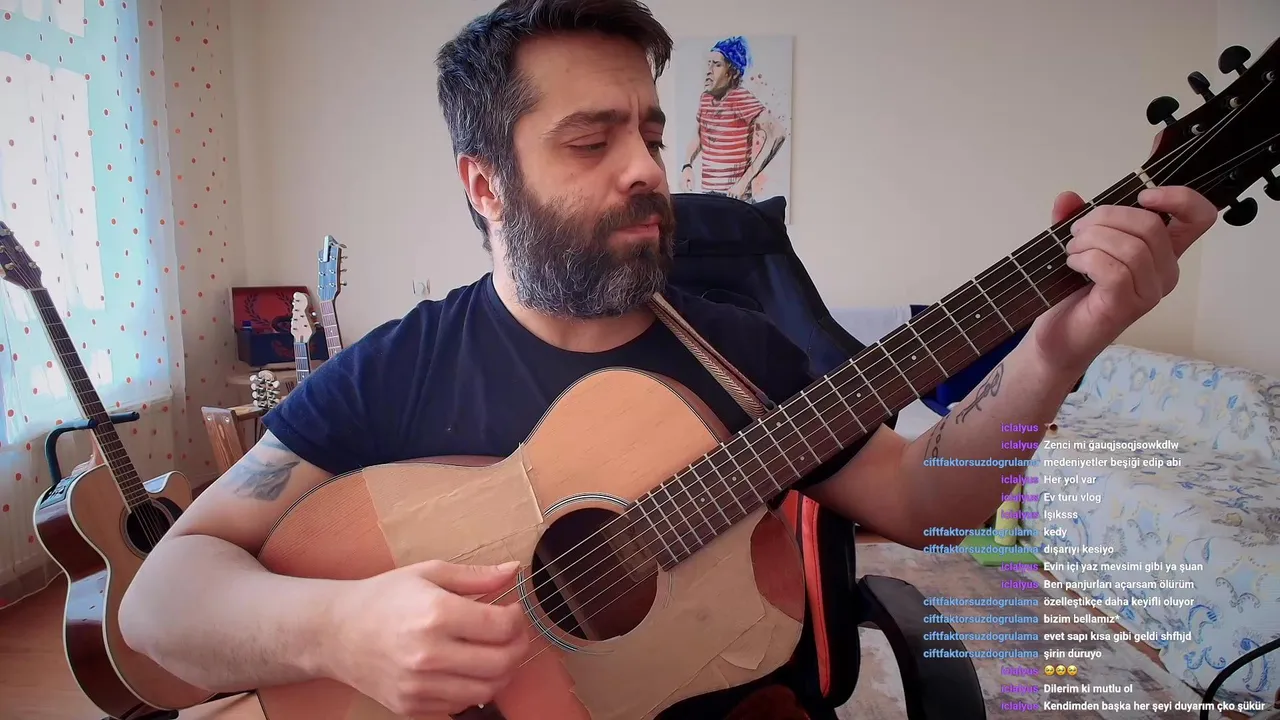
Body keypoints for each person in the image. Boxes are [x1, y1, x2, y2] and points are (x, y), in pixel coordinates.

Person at [118, 0, 1219, 718]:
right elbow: (160, 607)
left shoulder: (742, 353)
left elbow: (931, 507)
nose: (648, 167)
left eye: (649, 132)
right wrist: (345, 629)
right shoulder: (391, 371)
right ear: (485, 184)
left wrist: (1058, 348)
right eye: (591, 141)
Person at [680, 35, 786, 200]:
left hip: (736, 200)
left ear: (732, 73)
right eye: (709, 63)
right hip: (709, 196)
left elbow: (777, 133)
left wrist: (743, 182)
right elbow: (700, 134)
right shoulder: (705, 99)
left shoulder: (739, 97)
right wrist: (687, 165)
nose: (709, 70)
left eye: (717, 64)